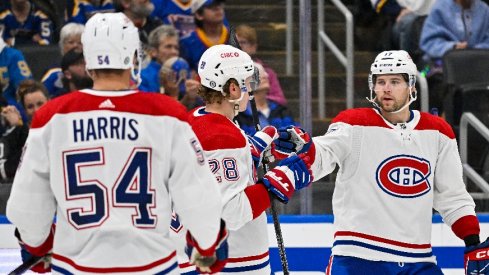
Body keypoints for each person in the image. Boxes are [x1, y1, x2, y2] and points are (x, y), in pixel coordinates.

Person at [6, 12, 229, 274]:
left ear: (87, 58)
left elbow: (27, 204)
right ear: (134, 57)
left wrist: (37, 245)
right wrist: (208, 245)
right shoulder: (167, 114)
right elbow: (198, 197)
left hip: (76, 266)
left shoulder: (52, 117)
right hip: (151, 265)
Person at [273, 50, 488, 274]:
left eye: (395, 81)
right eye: (380, 81)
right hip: (357, 257)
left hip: (418, 259)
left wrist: (472, 241)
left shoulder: (438, 132)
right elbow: (324, 154)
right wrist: (305, 147)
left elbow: (452, 196)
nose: (386, 88)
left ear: (411, 87)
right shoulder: (354, 124)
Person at [172, 44, 313, 274]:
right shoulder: (222, 137)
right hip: (231, 263)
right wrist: (279, 181)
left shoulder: (197, 120)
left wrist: (259, 149)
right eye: (247, 83)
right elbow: (229, 212)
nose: (251, 89)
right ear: (233, 88)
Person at [235, 62, 297, 136]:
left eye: (264, 72)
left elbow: (294, 136)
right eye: (257, 74)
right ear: (246, 82)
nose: (265, 75)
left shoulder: (282, 110)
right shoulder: (239, 114)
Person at [235, 24, 288, 106]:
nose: (238, 47)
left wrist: (260, 95)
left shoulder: (267, 73)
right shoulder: (223, 72)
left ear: (253, 47)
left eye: (242, 42)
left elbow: (280, 100)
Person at [180, 0, 228, 71]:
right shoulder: (187, 43)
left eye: (219, 4)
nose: (218, 8)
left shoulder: (237, 38)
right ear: (199, 15)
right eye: (211, 7)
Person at [41, 22, 85, 98]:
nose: (75, 46)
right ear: (62, 45)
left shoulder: (92, 71)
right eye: (71, 42)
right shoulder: (53, 73)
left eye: (80, 43)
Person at [140, 24, 180, 93]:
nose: (174, 52)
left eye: (176, 48)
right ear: (153, 52)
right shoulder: (142, 77)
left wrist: (188, 98)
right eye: (168, 47)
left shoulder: (180, 72)